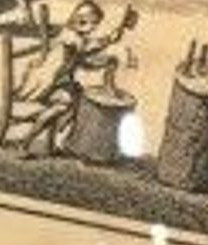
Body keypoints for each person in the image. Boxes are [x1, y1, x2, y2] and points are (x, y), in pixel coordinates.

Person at [15, 1, 138, 158]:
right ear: (79, 21)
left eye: (95, 24)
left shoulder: (77, 36)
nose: (94, 28)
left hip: (59, 81)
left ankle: (59, 138)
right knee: (62, 106)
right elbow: (86, 51)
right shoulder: (70, 37)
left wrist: (109, 44)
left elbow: (85, 58)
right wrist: (108, 40)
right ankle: (26, 142)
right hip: (46, 83)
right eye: (91, 23)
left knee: (78, 97)